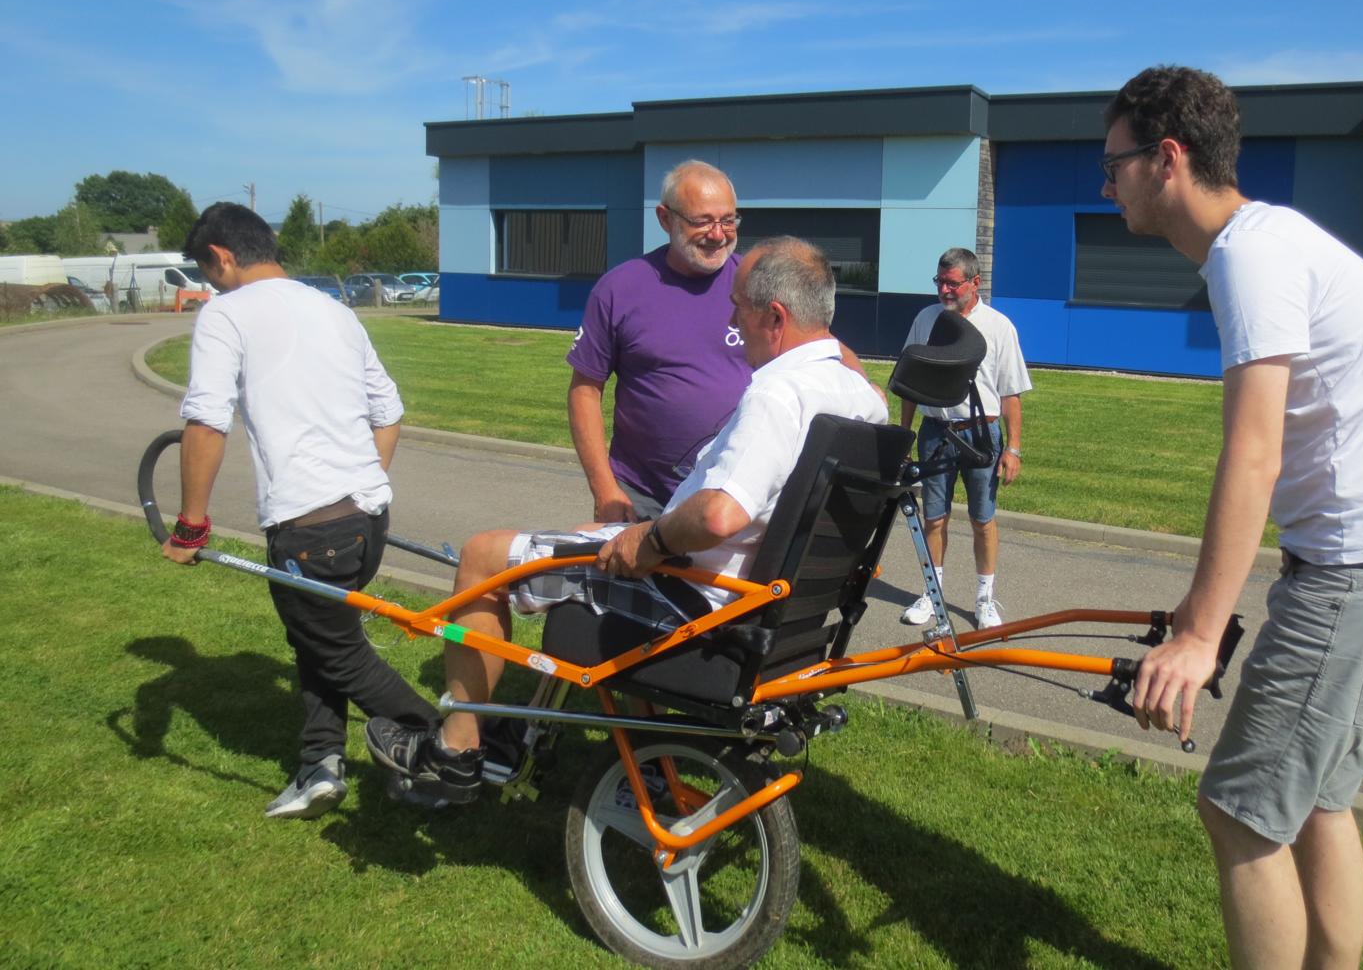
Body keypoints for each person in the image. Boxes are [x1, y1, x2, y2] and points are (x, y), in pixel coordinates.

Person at [1104, 66, 1363, 970]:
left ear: (1168, 159)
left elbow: (1254, 454)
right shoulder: (1280, 240)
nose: (1105, 185)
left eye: (1113, 165)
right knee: (1316, 805)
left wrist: (1197, 634)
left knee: (1237, 810)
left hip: (1358, 584)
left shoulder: (1248, 256)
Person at [366, 237, 888, 805]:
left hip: (696, 598)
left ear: (776, 317)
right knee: (586, 542)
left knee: (483, 556)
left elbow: (719, 513)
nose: (731, 320)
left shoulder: (777, 394)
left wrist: (650, 537)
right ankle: (636, 759)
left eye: (738, 306)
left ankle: (457, 752)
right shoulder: (862, 398)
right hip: (771, 607)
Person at [159, 203, 439, 819]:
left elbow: (206, 420)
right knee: (316, 639)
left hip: (312, 527)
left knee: (338, 652)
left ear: (221, 257)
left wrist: (191, 525)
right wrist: (359, 483)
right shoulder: (334, 310)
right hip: (368, 520)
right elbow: (388, 413)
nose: (208, 284)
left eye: (206, 271)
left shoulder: (226, 314)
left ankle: (448, 743)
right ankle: (320, 764)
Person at [566, 159, 750, 522]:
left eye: (728, 220)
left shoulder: (754, 284)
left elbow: (816, 347)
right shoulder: (620, 288)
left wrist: (862, 385)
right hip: (641, 496)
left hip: (732, 496)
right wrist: (605, 491)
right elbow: (585, 391)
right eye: (702, 221)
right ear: (665, 219)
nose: (718, 233)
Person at [897, 247, 1031, 631]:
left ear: (975, 283)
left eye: (952, 283)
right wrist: (905, 435)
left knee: (981, 519)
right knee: (933, 518)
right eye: (939, 282)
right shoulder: (926, 320)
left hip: (981, 433)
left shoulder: (999, 326)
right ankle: (932, 593)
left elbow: (1011, 393)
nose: (944, 291)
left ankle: (985, 599)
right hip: (936, 431)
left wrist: (1013, 448)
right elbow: (909, 383)